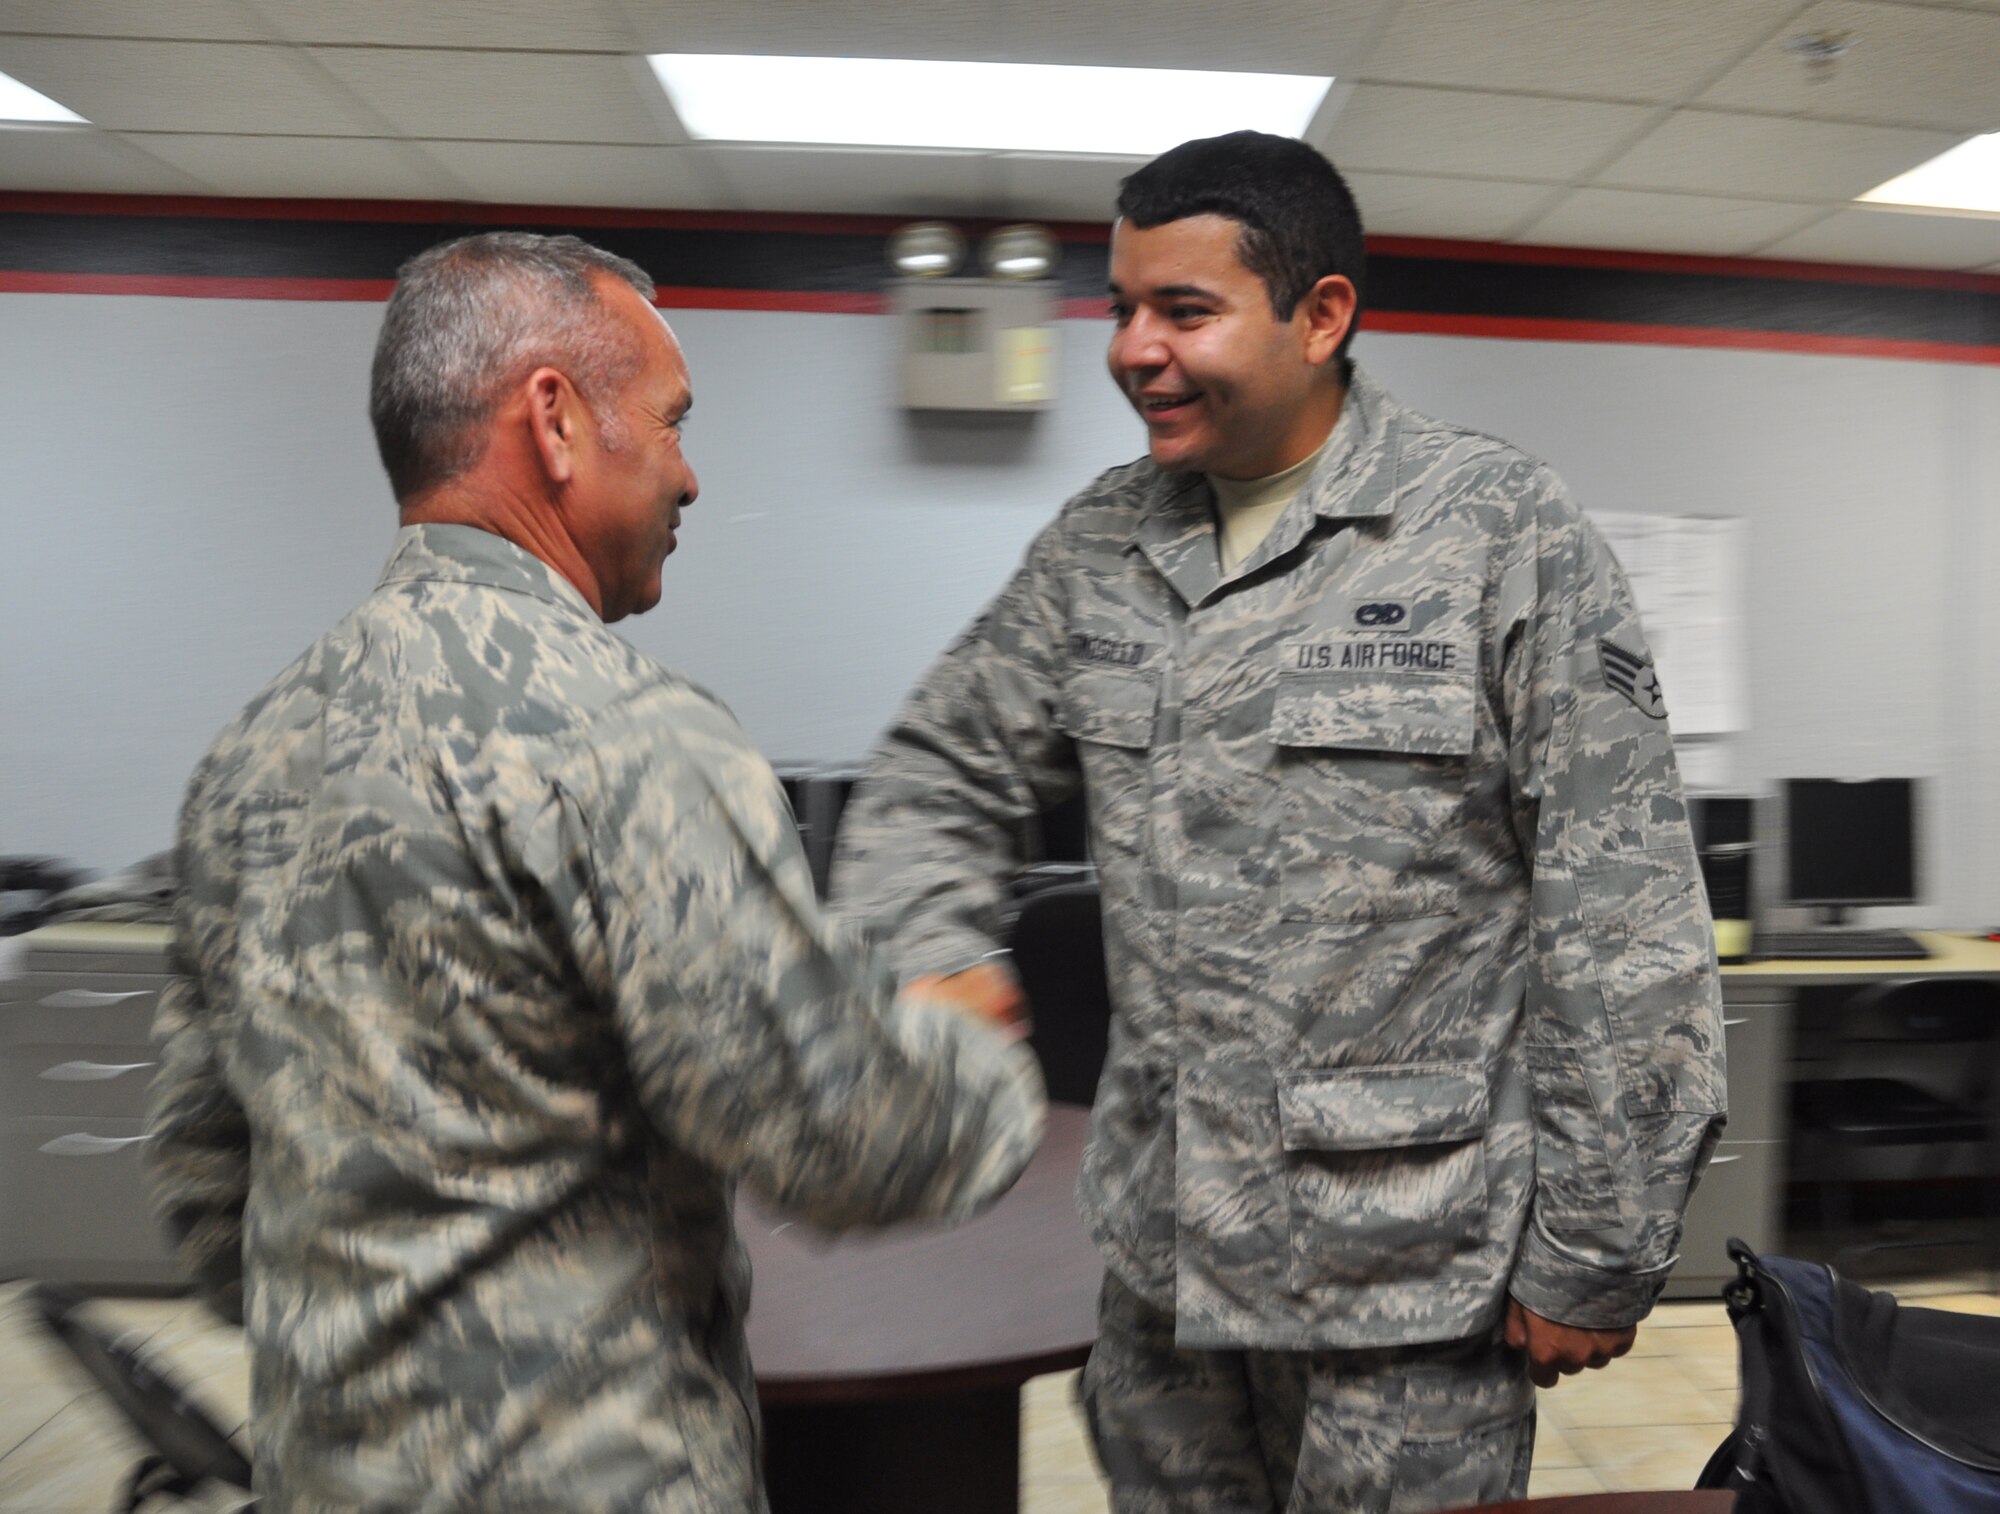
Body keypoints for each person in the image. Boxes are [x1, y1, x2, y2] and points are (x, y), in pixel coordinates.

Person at [832, 132, 1726, 1512]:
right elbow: (936, 766)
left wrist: (1598, 1244)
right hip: (1163, 1271)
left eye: (1183, 310)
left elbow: (1622, 906)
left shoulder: (1494, 527)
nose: (1133, 349)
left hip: (1407, 1293)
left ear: (1321, 317)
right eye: (1122, 307)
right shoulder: (1099, 543)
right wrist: (931, 945)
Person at [146, 231, 1044, 1514]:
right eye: (672, 421)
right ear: (555, 419)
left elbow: (202, 1186)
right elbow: (832, 1133)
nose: (689, 473)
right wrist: (969, 1051)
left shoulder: (250, 754)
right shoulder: (632, 738)